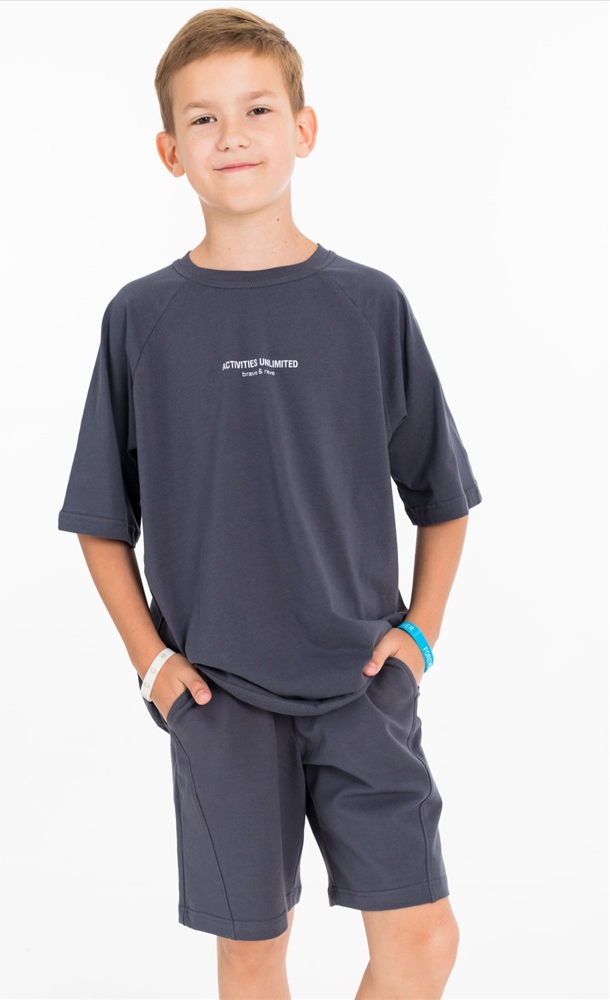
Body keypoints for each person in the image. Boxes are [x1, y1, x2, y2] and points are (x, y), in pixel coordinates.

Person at [57, 7, 482, 998]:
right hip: (218, 699)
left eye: (256, 109)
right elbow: (101, 521)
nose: (232, 135)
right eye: (202, 119)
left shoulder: (368, 305)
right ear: (169, 151)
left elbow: (442, 495)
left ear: (304, 128)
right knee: (253, 952)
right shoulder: (142, 318)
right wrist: (154, 665)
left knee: (422, 938)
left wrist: (417, 639)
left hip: (362, 684)